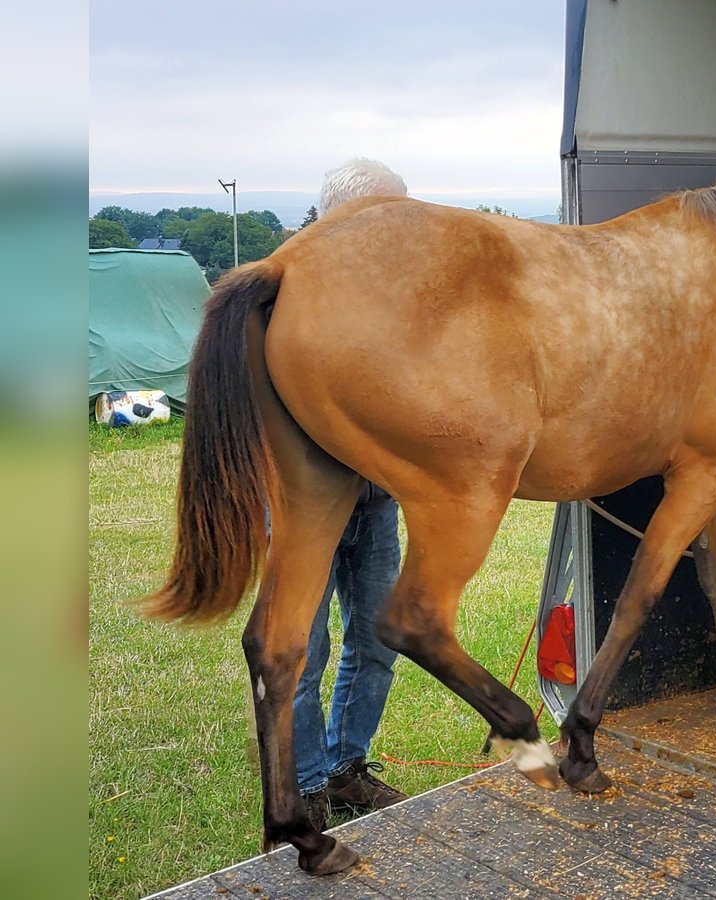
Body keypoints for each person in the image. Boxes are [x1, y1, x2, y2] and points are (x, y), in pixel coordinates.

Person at [293, 159, 410, 831]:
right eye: (391, 214)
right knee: (302, 653)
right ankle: (307, 787)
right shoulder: (291, 291)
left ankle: (345, 770)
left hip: (376, 502)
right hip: (308, 508)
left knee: (376, 642)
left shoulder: (400, 301)